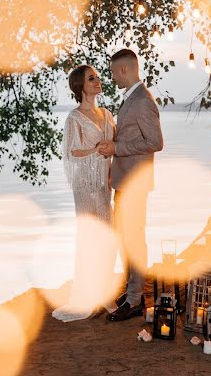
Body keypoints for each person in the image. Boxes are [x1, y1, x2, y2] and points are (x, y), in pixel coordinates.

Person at [97, 49, 163, 321]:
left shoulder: (142, 102)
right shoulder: (131, 99)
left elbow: (156, 142)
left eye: (113, 72)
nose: (112, 78)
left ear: (123, 70)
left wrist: (117, 147)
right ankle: (132, 292)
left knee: (134, 239)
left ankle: (135, 300)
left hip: (135, 184)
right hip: (126, 181)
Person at [52, 64, 116, 322]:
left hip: (104, 185)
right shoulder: (74, 118)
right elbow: (70, 153)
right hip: (85, 186)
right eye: (92, 79)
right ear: (81, 86)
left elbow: (114, 144)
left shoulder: (108, 114)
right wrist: (96, 151)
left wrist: (110, 152)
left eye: (98, 77)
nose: (98, 81)